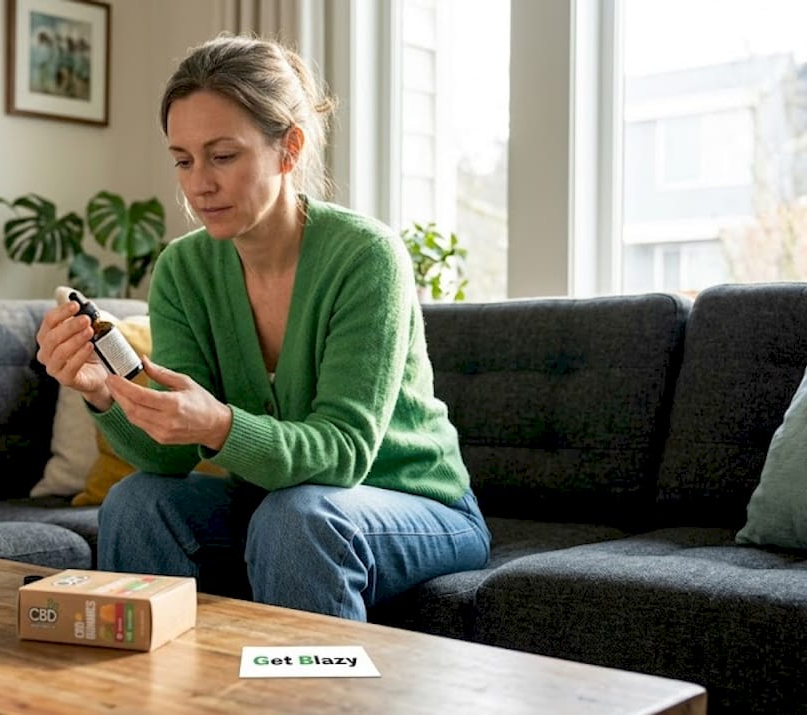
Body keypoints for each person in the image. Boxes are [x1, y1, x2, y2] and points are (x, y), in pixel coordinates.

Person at [34, 34, 490, 621]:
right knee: (137, 502)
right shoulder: (183, 269)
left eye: (223, 156)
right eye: (183, 159)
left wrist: (221, 426)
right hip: (275, 499)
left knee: (298, 518)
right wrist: (102, 393)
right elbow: (168, 459)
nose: (199, 183)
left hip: (418, 505)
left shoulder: (365, 256)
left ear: (289, 148)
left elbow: (345, 453)